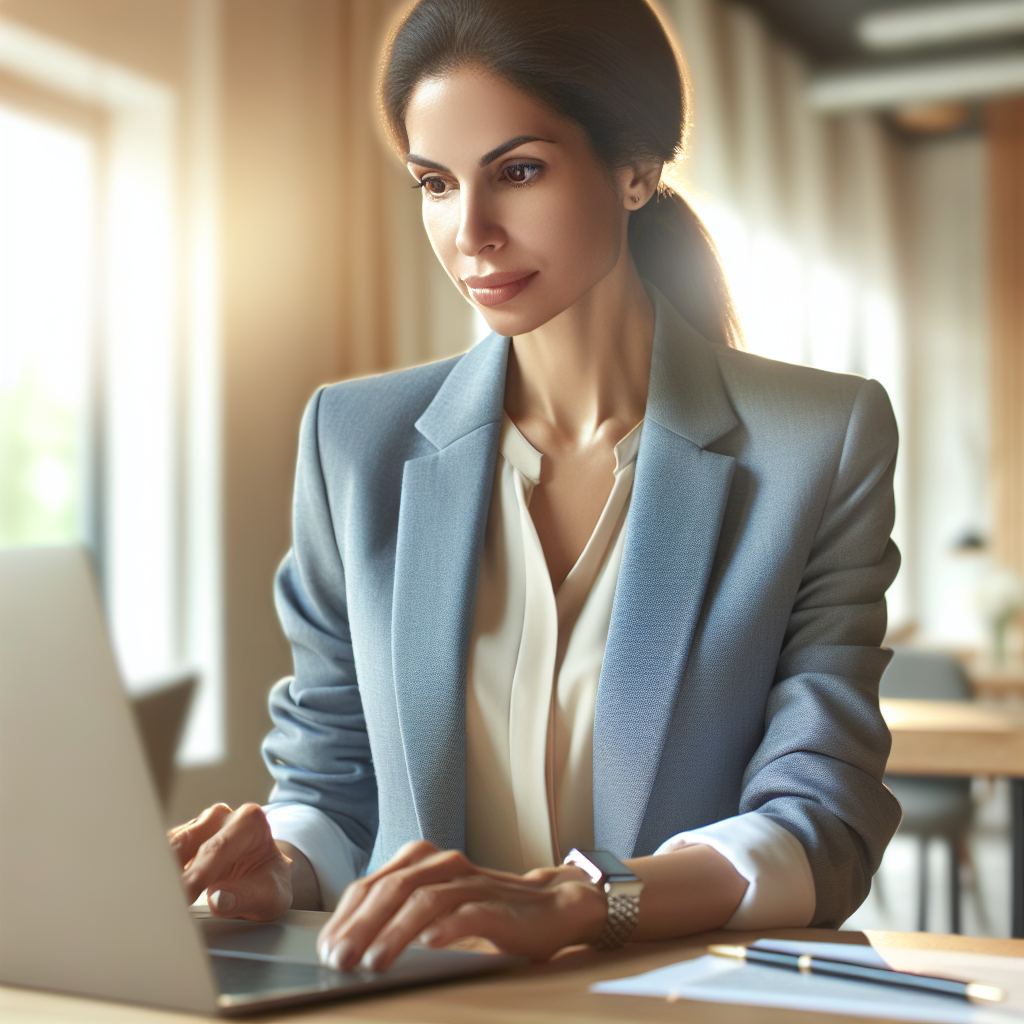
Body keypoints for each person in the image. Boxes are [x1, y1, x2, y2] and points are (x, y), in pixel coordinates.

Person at [169, 0, 902, 974]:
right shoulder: (354, 441)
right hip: (410, 999)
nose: (468, 232)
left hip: (680, 1000)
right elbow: (331, 770)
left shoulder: (819, 442)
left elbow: (822, 820)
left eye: (517, 171)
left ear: (635, 167)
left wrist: (581, 900)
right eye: (434, 182)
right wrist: (286, 861)